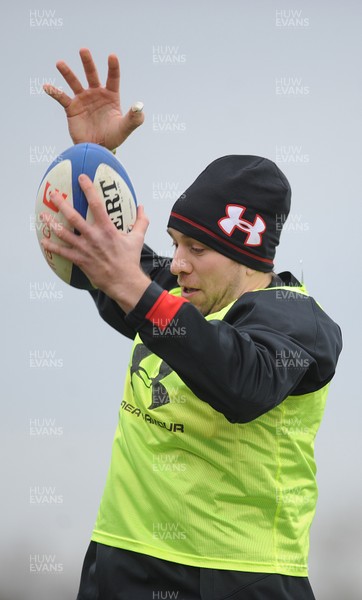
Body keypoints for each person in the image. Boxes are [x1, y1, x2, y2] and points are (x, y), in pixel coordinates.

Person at [41, 49, 342, 600]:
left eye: (197, 248)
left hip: (233, 577)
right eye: (175, 243)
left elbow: (239, 380)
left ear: (248, 257)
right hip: (121, 562)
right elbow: (92, 254)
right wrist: (91, 160)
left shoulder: (300, 323)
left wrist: (133, 287)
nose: (175, 263)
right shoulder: (181, 292)